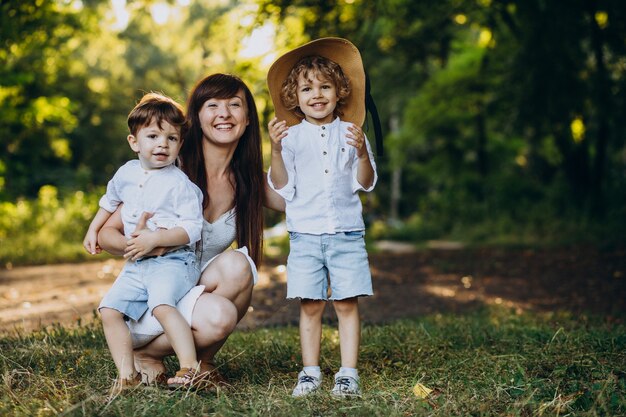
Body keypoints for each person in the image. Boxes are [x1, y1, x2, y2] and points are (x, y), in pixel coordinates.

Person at [97, 73, 285, 390]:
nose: (224, 114)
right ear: (196, 117)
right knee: (219, 316)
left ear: (248, 118)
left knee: (241, 266)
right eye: (212, 105)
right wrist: (147, 243)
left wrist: (280, 148)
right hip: (155, 296)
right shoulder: (169, 168)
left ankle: (202, 364)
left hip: (190, 289)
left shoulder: (247, 180)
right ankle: (143, 355)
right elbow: (106, 233)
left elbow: (289, 199)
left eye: (234, 105)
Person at [266, 37, 377, 398]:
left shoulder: (352, 133)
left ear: (339, 91)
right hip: (306, 236)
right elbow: (283, 188)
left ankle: (348, 373)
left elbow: (367, 182)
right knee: (310, 305)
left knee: (346, 303)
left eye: (325, 86)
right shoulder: (292, 138)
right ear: (293, 96)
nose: (317, 94)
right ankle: (309, 373)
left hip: (346, 234)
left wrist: (361, 153)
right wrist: (276, 150)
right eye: (307, 88)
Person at [83, 93, 204, 391]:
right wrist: (93, 228)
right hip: (138, 266)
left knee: (162, 305)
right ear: (134, 142)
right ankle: (128, 376)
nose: (162, 144)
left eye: (171, 138)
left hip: (173, 262)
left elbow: (193, 228)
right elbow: (109, 202)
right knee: (109, 310)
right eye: (152, 136)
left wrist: (156, 238)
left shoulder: (180, 184)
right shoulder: (126, 173)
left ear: (179, 145)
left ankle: (190, 367)